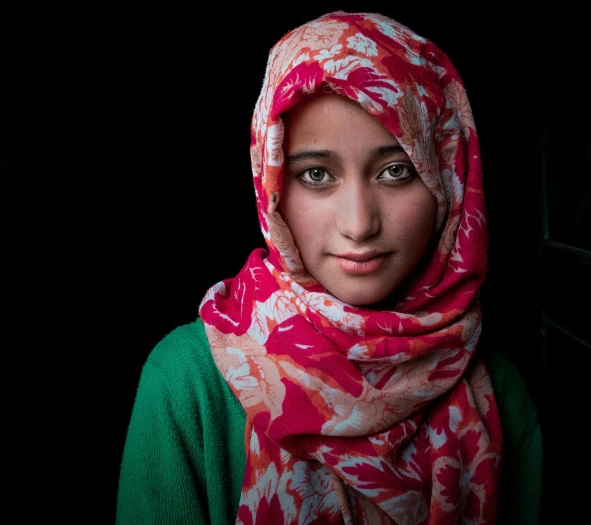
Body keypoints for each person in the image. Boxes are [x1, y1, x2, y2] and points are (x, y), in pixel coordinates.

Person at [116, 11, 542, 525]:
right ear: (271, 186)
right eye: (317, 174)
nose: (359, 224)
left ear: (447, 181)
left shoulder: (495, 392)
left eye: (396, 171)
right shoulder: (188, 385)